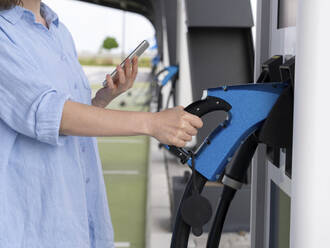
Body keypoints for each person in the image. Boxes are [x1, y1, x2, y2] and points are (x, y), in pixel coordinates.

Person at [0, 0, 203, 247]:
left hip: (79, 219)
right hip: (33, 227)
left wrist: (102, 98)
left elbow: (72, 119)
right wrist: (152, 123)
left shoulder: (58, 31)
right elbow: (51, 113)